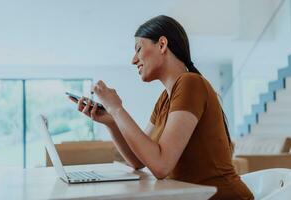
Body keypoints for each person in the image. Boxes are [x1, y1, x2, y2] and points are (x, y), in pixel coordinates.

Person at [69, 15, 254, 200]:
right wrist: (111, 120)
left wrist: (117, 109)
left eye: (138, 49)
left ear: (162, 44)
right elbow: (138, 160)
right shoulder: (166, 98)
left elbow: (160, 166)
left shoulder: (190, 83)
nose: (134, 60)